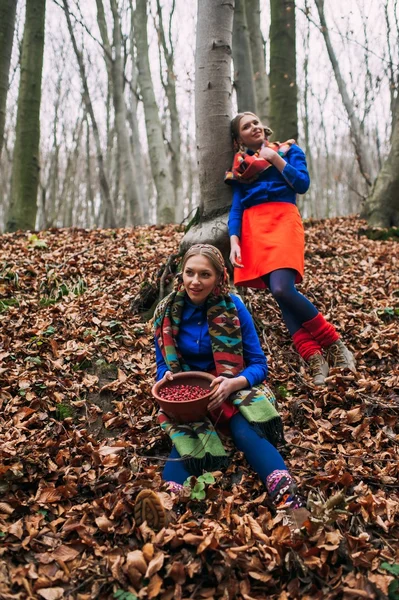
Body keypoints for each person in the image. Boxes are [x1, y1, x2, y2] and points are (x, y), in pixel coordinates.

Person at [136, 243, 309, 532]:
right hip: (190, 394)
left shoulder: (234, 307)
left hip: (232, 387)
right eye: (189, 273)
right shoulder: (167, 311)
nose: (195, 281)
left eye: (205, 275)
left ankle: (293, 507)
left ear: (218, 278)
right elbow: (162, 365)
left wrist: (233, 384)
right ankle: (165, 507)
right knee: (187, 436)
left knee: (245, 431)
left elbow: (258, 365)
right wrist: (167, 379)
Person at [225, 112, 356, 386]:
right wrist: (234, 239)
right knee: (278, 292)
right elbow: (237, 206)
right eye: (246, 127)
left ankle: (333, 343)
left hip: (284, 220)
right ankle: (313, 357)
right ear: (239, 139)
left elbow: (302, 184)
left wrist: (276, 160)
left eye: (256, 122)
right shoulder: (240, 166)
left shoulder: (288, 150)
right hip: (254, 229)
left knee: (283, 288)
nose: (254, 127)